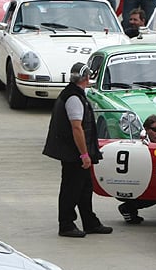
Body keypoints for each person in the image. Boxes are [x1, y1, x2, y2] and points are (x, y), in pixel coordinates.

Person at [43, 63, 113, 238]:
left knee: (84, 188)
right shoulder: (74, 98)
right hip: (74, 153)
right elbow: (77, 128)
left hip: (73, 152)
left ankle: (90, 222)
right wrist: (84, 155)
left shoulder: (72, 94)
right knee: (71, 188)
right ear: (86, 78)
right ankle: (66, 225)